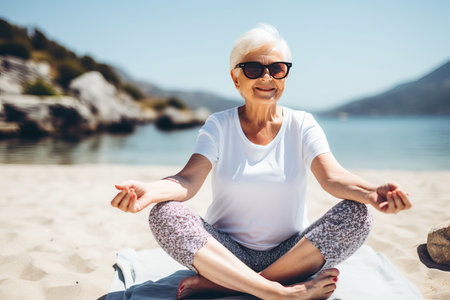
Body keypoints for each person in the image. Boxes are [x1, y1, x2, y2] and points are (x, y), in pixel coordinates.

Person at [111, 24, 412, 300]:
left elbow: (333, 178)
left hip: (291, 254)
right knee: (164, 213)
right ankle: (276, 292)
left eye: (277, 68)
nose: (266, 77)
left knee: (359, 212)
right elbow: (188, 181)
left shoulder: (302, 124)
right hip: (225, 253)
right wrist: (149, 191)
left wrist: (371, 193)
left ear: (285, 75)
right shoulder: (219, 125)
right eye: (254, 68)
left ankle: (224, 285)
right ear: (236, 77)